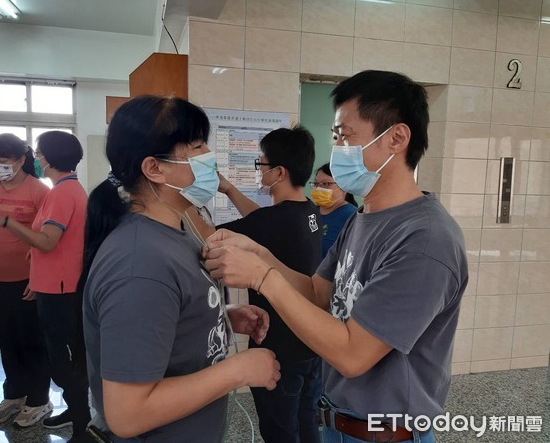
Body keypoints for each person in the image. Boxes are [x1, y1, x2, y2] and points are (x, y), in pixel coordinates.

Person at [204, 70, 468, 443]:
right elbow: (315, 292)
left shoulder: (423, 240)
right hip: (339, 423)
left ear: (397, 137)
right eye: (335, 137)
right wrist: (260, 254)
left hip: (385, 434)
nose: (337, 150)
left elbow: (352, 354)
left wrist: (262, 277)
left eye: (345, 136)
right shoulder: (365, 217)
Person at [79, 95, 280, 442]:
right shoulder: (139, 264)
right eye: (197, 146)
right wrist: (238, 370)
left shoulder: (177, 228)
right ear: (154, 168)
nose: (209, 159)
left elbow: (160, 315)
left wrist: (216, 315)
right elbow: (128, 414)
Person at [206, 126, 323, 443]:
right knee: (307, 423)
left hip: (280, 346)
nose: (258, 171)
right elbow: (262, 220)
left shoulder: (273, 222)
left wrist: (187, 197)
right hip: (311, 344)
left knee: (280, 431)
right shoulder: (309, 210)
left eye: (261, 165)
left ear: (279, 171)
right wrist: (229, 189)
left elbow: (209, 237)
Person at [0, 131, 90, 442]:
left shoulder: (59, 193)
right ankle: (70, 411)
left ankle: (75, 421)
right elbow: (47, 240)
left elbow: (48, 241)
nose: (37, 157)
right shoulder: (64, 189)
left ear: (45, 158)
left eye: (39, 153)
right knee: (44, 352)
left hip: (56, 289)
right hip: (38, 282)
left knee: (60, 359)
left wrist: (6, 222)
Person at [0, 133, 51, 427]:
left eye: (3, 161)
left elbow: (47, 239)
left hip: (27, 280)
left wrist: (39, 277)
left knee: (33, 341)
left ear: (19, 160)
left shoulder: (39, 191)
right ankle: (14, 395)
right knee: (7, 339)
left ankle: (39, 400)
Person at [310, 163, 357, 258]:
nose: (319, 188)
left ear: (344, 186)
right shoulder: (309, 213)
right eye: (316, 184)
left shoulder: (353, 218)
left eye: (326, 184)